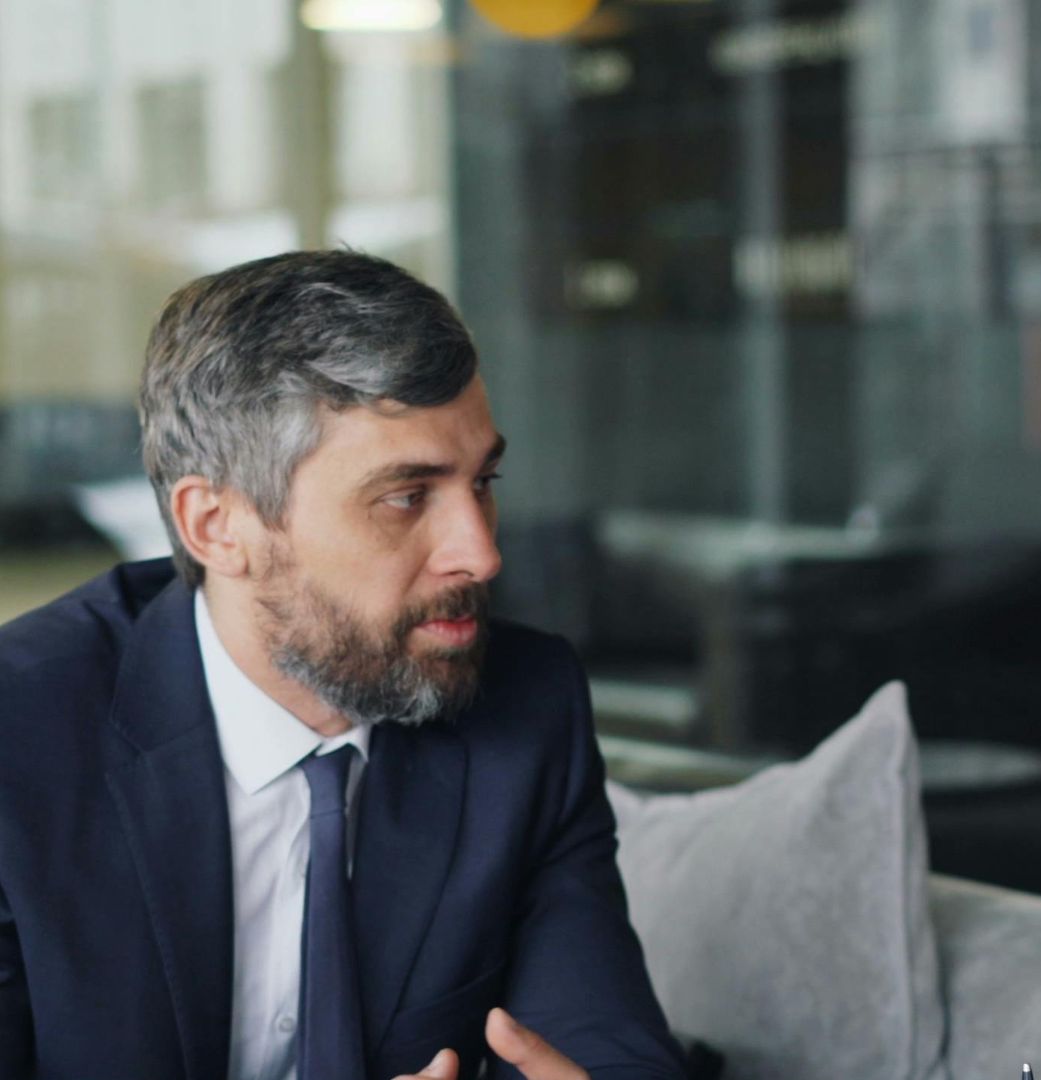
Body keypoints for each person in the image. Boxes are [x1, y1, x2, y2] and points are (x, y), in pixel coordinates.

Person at [0, 251, 687, 1080]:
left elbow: (599, 1044)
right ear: (218, 526)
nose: (481, 552)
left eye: (484, 481)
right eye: (407, 496)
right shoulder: (23, 733)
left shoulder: (527, 706)